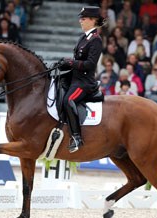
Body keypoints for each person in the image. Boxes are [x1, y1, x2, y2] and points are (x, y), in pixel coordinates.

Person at [58, 6, 105, 153]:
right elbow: (77, 59)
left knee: (68, 100)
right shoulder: (83, 37)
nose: (80, 21)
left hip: (84, 82)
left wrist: (71, 63)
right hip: (74, 78)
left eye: (83, 19)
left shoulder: (96, 40)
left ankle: (76, 137)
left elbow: (90, 64)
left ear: (93, 20)